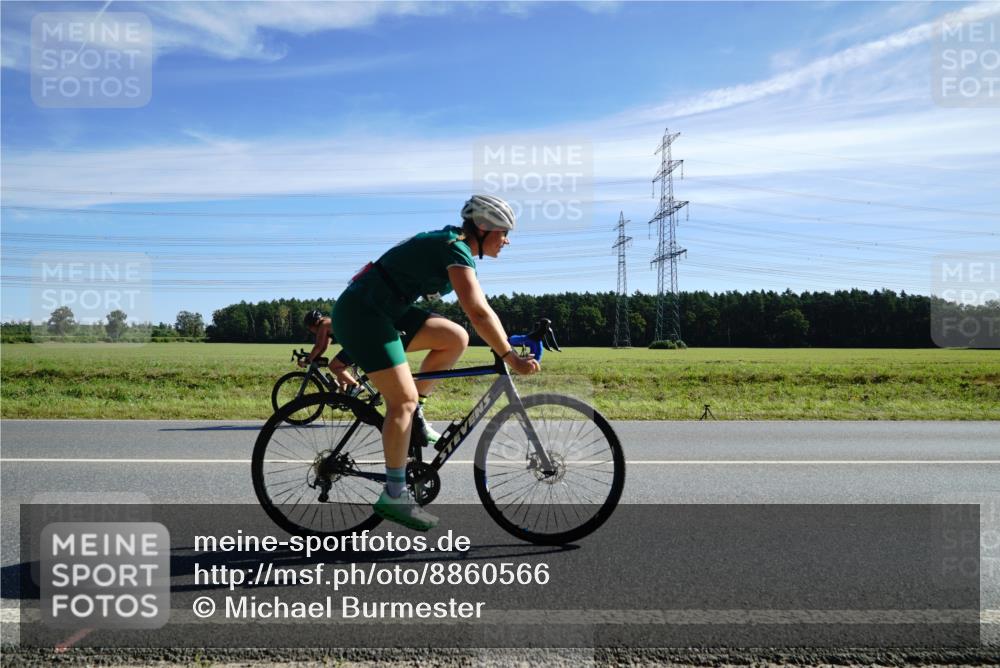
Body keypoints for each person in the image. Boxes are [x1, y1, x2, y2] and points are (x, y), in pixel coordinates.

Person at [331, 194, 540, 531]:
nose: (507, 240)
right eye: (504, 231)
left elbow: (469, 316)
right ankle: (395, 494)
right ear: (483, 227)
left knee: (454, 337)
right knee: (401, 400)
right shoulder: (453, 247)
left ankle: (416, 413)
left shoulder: (453, 245)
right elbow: (478, 309)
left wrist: (507, 347)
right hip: (365, 313)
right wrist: (508, 356)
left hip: (384, 311)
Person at [300, 310, 359, 392]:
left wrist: (307, 360)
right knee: (340, 376)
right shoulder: (328, 323)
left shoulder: (323, 325)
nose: (310, 330)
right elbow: (324, 346)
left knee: (333, 366)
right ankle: (345, 399)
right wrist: (315, 357)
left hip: (355, 345)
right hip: (355, 344)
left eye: (309, 328)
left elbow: (318, 346)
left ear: (314, 324)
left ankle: (356, 386)